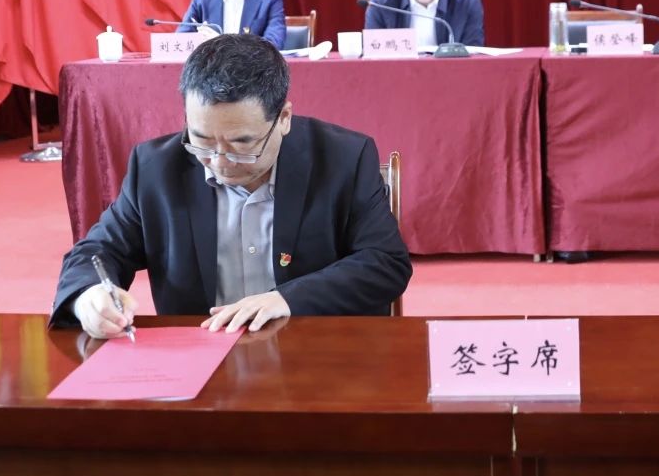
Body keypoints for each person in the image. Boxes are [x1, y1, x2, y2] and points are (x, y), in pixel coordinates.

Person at [50, 34, 411, 337]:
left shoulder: (343, 159)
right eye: (202, 140)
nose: (220, 161)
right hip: (200, 357)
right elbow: (97, 251)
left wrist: (286, 299)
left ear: (284, 118)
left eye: (242, 144)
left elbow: (384, 262)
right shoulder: (157, 168)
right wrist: (89, 297)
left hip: (312, 351)